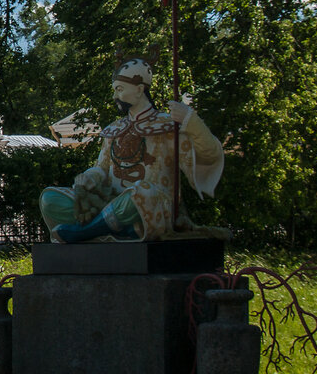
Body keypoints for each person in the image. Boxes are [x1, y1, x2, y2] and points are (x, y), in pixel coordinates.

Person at [40, 57, 227, 243]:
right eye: (114, 90)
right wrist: (89, 176)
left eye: (119, 90)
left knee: (141, 193)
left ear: (139, 90)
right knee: (49, 198)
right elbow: (103, 169)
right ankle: (118, 229)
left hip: (151, 206)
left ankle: (85, 232)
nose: (115, 97)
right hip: (110, 203)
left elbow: (207, 157)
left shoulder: (168, 128)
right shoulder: (115, 129)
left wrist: (192, 123)